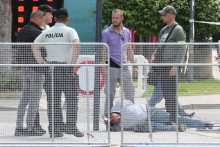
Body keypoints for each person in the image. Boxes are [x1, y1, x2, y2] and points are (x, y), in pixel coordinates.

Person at [33, 8, 83, 138]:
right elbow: (77, 45)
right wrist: (72, 63)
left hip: (51, 69)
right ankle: (71, 126)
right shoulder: (70, 31)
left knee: (53, 101)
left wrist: (41, 62)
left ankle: (55, 129)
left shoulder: (47, 32)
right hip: (66, 68)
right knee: (72, 99)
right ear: (67, 20)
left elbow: (34, 46)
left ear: (54, 19)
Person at [151, 5, 187, 122]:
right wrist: (153, 56)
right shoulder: (164, 30)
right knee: (167, 94)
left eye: (165, 15)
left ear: (172, 15)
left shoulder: (178, 30)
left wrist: (176, 66)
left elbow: (182, 49)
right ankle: (171, 118)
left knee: (171, 95)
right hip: (162, 66)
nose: (163, 17)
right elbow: (159, 45)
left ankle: (174, 119)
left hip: (171, 67)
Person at [14, 10, 46, 136]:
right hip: (36, 69)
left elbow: (18, 49)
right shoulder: (37, 33)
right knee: (34, 99)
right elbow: (43, 51)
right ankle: (30, 127)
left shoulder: (22, 30)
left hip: (25, 68)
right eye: (42, 19)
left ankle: (19, 127)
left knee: (24, 98)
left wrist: (20, 64)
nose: (43, 22)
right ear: (37, 19)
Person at [102, 9, 137, 117]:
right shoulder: (106, 33)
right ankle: (108, 117)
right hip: (111, 66)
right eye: (113, 18)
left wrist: (134, 66)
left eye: (117, 18)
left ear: (122, 18)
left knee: (130, 92)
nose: (115, 20)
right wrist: (103, 68)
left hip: (124, 67)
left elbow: (129, 49)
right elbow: (102, 51)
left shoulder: (127, 32)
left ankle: (130, 115)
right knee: (110, 94)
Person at [110, 100, 213, 132]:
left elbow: (130, 102)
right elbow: (111, 129)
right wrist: (108, 122)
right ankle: (175, 128)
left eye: (115, 117)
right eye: (114, 121)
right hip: (144, 123)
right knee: (149, 126)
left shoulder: (118, 105)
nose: (117, 119)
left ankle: (203, 124)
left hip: (148, 111)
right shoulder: (117, 127)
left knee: (175, 118)